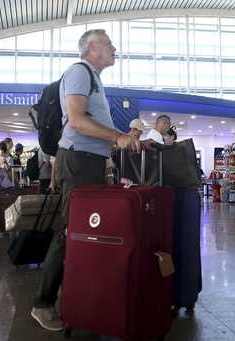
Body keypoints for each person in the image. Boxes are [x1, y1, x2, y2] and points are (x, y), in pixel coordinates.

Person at [30, 29, 149, 332]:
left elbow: (93, 126)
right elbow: (78, 121)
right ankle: (42, 304)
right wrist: (119, 137)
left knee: (85, 229)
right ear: (92, 47)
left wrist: (126, 141)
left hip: (90, 162)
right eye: (109, 44)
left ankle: (81, 295)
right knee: (70, 230)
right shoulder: (79, 72)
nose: (114, 48)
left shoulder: (95, 78)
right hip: (79, 161)